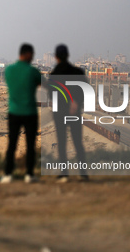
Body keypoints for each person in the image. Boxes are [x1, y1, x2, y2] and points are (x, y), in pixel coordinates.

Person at [0, 43, 41, 184]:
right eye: (32, 55)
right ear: (28, 54)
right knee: (30, 145)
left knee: (12, 144)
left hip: (14, 112)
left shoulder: (9, 70)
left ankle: (8, 174)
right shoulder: (33, 71)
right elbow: (40, 83)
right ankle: (29, 174)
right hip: (30, 112)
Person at [47, 44, 89, 183]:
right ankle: (83, 174)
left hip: (60, 113)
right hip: (74, 112)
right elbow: (85, 91)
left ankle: (64, 174)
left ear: (56, 57)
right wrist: (76, 103)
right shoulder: (78, 72)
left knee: (62, 143)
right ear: (67, 55)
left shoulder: (54, 75)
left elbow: (52, 95)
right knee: (78, 142)